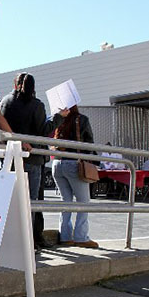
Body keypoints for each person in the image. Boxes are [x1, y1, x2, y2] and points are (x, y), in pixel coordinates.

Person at [0, 72, 67, 250]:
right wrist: (59, 117)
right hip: (32, 158)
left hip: (9, 157)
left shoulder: (5, 102)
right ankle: (29, 242)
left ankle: (11, 240)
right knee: (32, 201)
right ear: (33, 87)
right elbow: (43, 129)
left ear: (15, 83)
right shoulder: (36, 105)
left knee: (11, 199)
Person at [51, 105, 98, 248]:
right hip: (74, 164)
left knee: (66, 201)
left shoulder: (58, 119)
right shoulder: (81, 119)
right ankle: (81, 237)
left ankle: (65, 236)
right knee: (83, 202)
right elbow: (89, 143)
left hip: (57, 163)